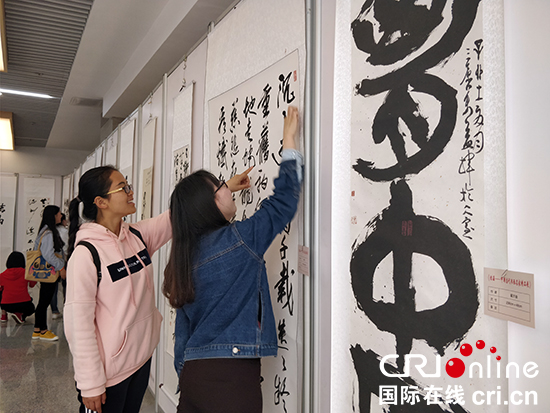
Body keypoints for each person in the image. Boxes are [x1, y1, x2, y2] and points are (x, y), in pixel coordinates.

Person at [64, 165, 252, 413]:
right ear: (101, 202)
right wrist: (90, 384)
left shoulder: (136, 237)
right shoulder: (86, 255)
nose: (131, 192)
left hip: (140, 361)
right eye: (123, 188)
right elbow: (78, 324)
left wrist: (224, 188)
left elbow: (179, 214)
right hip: (108, 375)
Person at [164, 106, 302, 413]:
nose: (229, 190)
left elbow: (183, 334)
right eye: (221, 188)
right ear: (210, 205)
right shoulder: (241, 240)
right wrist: (290, 141)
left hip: (193, 377)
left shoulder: (181, 259)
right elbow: (283, 202)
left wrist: (184, 374)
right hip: (232, 380)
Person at [32, 205, 66, 341]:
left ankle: (37, 330)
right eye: (58, 214)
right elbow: (48, 255)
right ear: (53, 216)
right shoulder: (49, 233)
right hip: (49, 272)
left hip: (46, 272)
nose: (60, 216)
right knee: (44, 301)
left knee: (43, 300)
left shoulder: (45, 231)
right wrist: (61, 268)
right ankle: (43, 331)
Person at [0, 252, 36, 324]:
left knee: (1, 293)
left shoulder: (2, 275)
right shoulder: (26, 273)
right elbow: (32, 285)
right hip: (24, 304)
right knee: (31, 308)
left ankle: (3, 314)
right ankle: (20, 315)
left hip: (7, 305)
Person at [49, 213, 68, 319]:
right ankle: (66, 307)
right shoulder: (64, 231)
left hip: (52, 261)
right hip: (63, 260)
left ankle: (54, 310)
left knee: (54, 287)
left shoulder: (49, 231)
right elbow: (66, 247)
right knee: (66, 285)